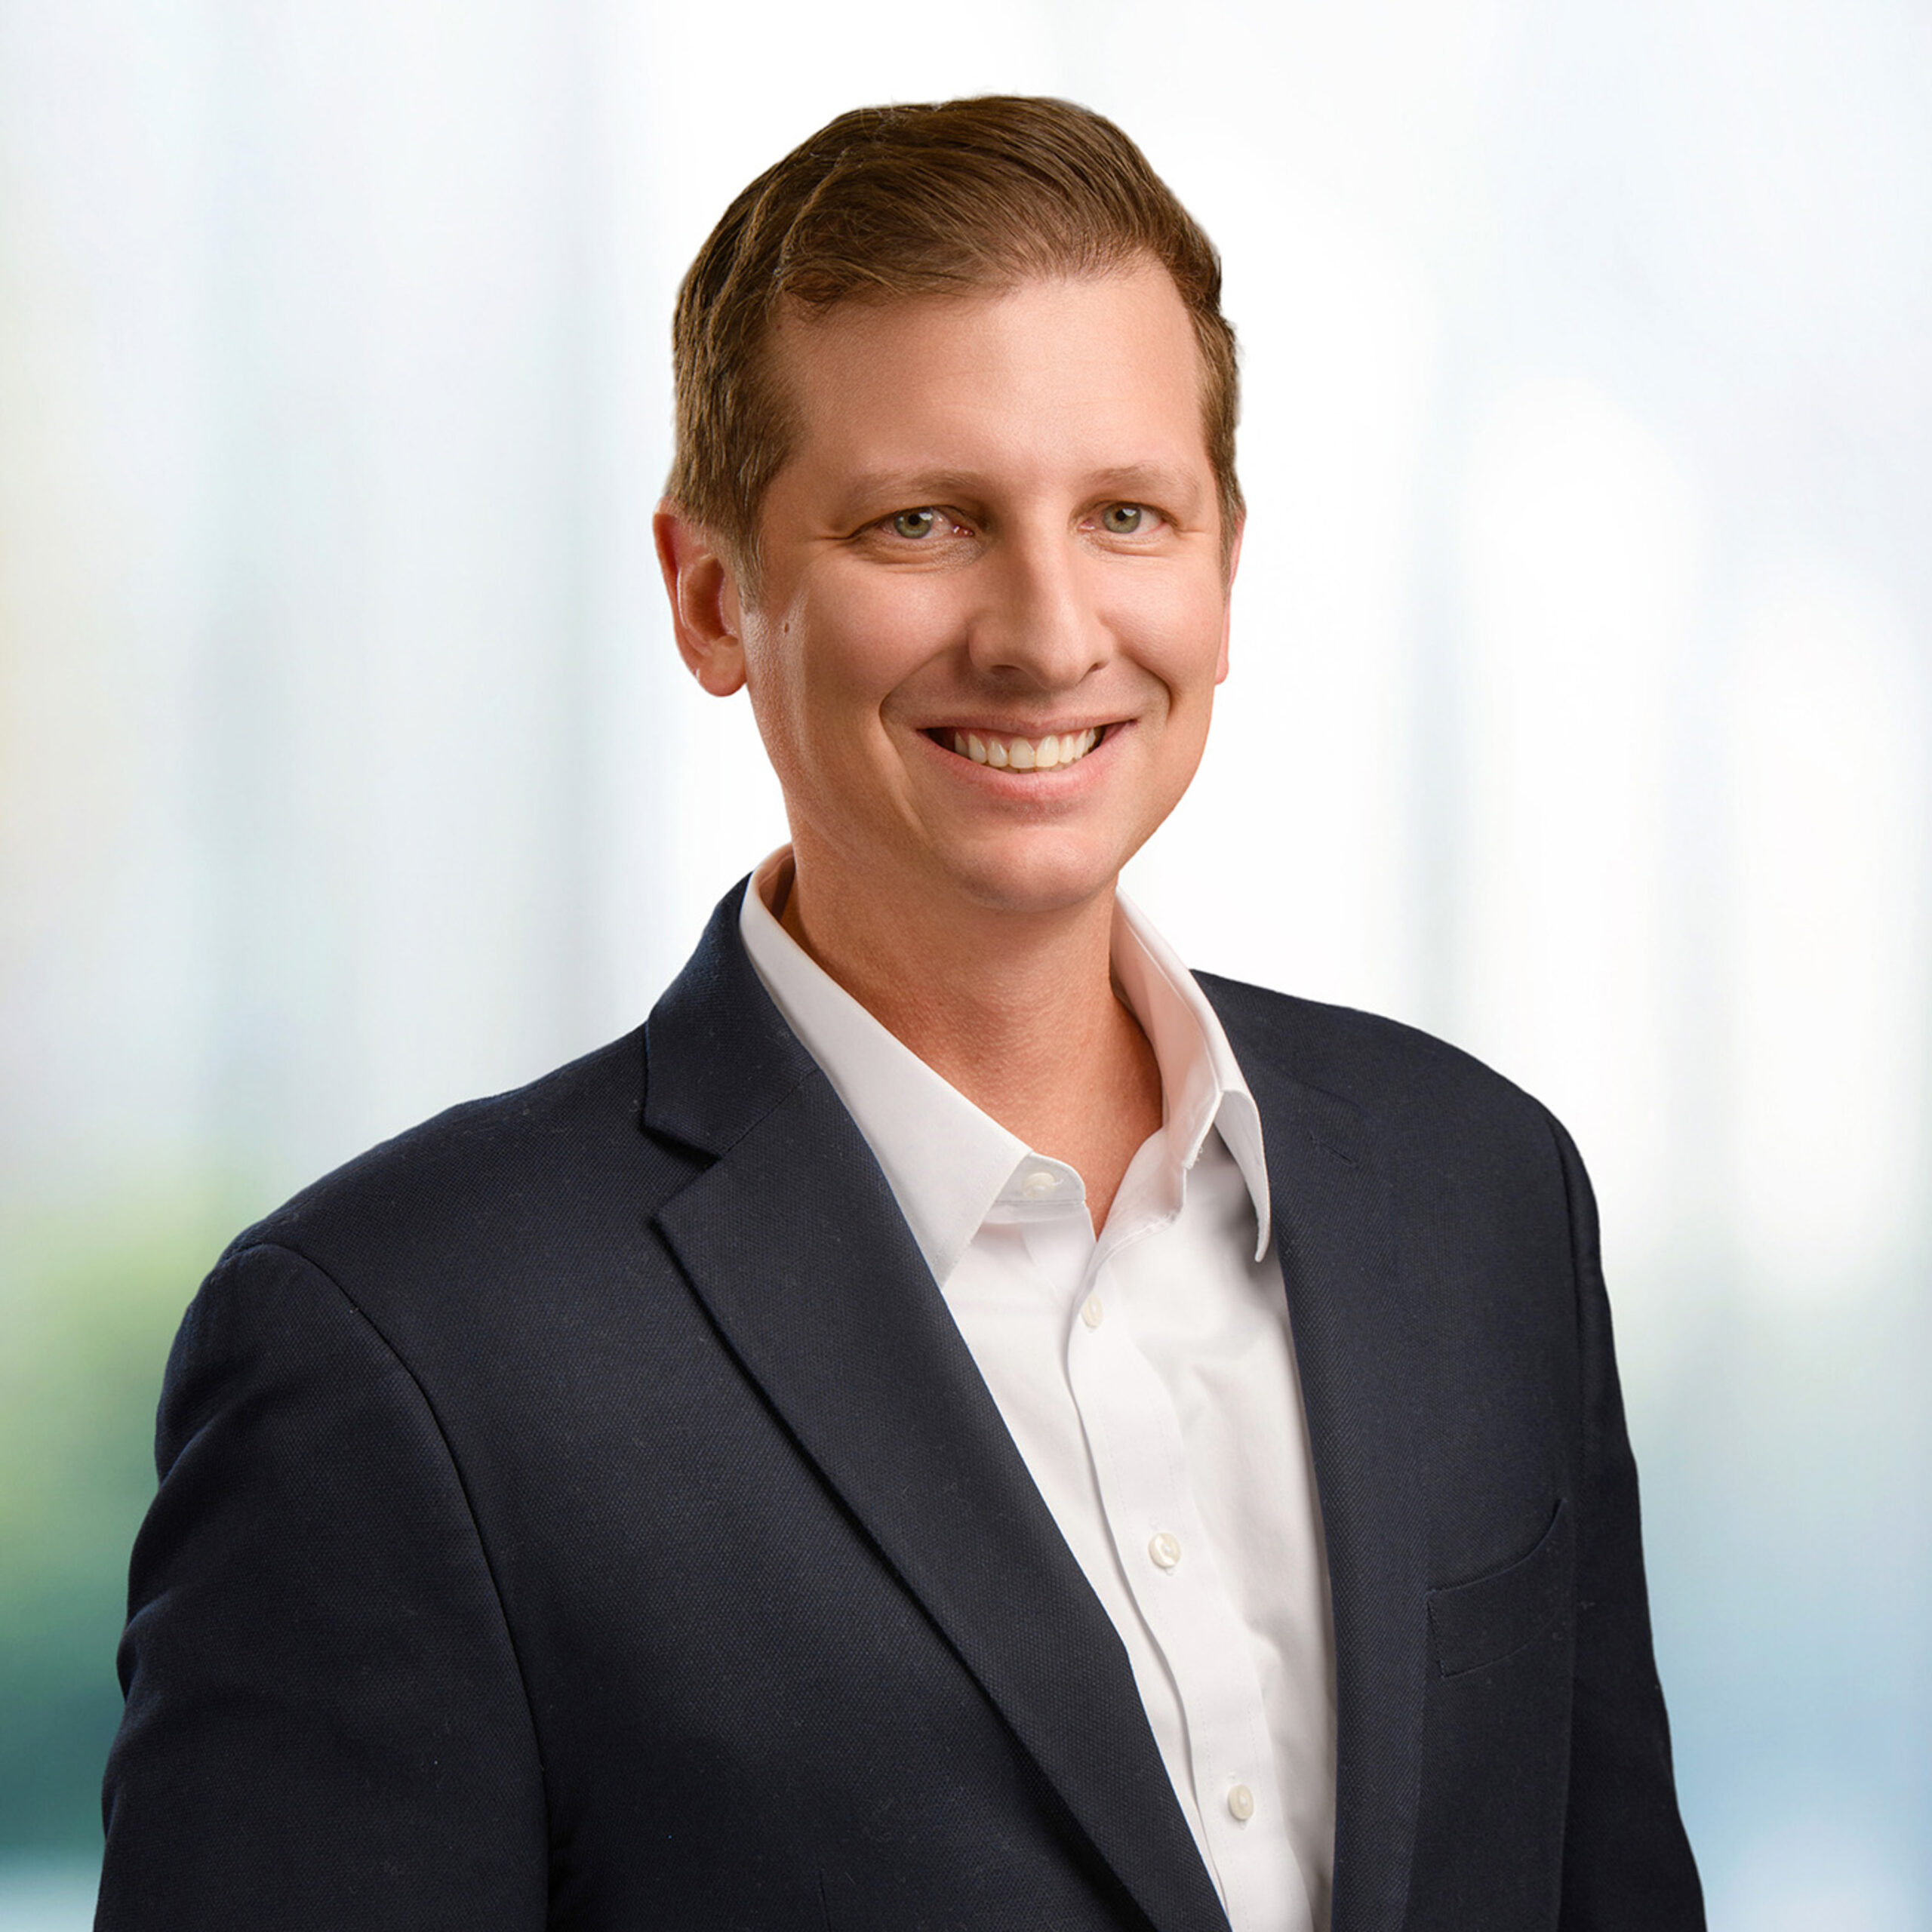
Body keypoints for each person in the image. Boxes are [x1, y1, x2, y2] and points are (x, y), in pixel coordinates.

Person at [98, 97, 1703, 1932]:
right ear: (712, 595)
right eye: (921, 519)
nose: (1043, 630)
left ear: (1224, 568)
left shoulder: (1479, 1188)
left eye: (1123, 512)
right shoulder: (402, 1353)